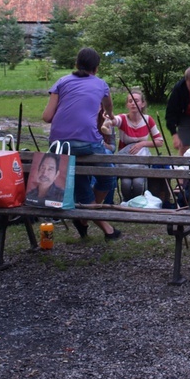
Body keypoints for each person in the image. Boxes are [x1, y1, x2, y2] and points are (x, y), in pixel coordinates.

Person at [42, 47, 121, 241]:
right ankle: (103, 225)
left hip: (58, 145)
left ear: (76, 64)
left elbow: (46, 117)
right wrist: (110, 115)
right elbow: (108, 106)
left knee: (80, 180)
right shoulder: (101, 84)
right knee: (108, 178)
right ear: (96, 68)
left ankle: (85, 219)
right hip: (88, 143)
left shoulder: (61, 82)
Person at [110, 89, 164, 200]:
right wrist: (109, 117)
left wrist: (143, 143)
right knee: (125, 184)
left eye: (136, 100)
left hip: (140, 161)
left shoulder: (148, 120)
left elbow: (160, 141)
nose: (133, 103)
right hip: (125, 161)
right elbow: (115, 120)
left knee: (138, 184)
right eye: (130, 101)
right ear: (127, 104)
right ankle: (127, 205)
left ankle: (137, 204)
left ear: (142, 103)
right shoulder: (123, 119)